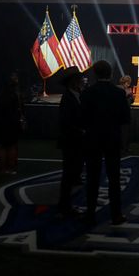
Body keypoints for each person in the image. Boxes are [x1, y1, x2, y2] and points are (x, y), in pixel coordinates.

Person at [80, 60, 131, 226]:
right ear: (110, 74)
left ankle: (90, 214)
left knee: (92, 178)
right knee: (114, 179)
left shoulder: (87, 93)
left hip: (93, 139)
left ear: (95, 74)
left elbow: (83, 118)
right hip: (112, 139)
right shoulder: (118, 93)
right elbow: (125, 119)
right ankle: (116, 214)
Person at [57, 66, 85, 218]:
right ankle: (64, 206)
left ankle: (66, 205)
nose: (82, 81)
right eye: (79, 79)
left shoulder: (76, 94)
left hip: (76, 141)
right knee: (69, 174)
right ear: (73, 81)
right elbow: (66, 121)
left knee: (73, 174)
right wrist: (80, 131)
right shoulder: (68, 97)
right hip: (71, 141)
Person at [0, 72, 24, 174]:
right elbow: (20, 109)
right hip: (13, 123)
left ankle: (3, 168)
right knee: (12, 146)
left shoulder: (0, 94)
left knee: (3, 146)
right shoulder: (16, 95)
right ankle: (11, 168)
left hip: (2, 123)